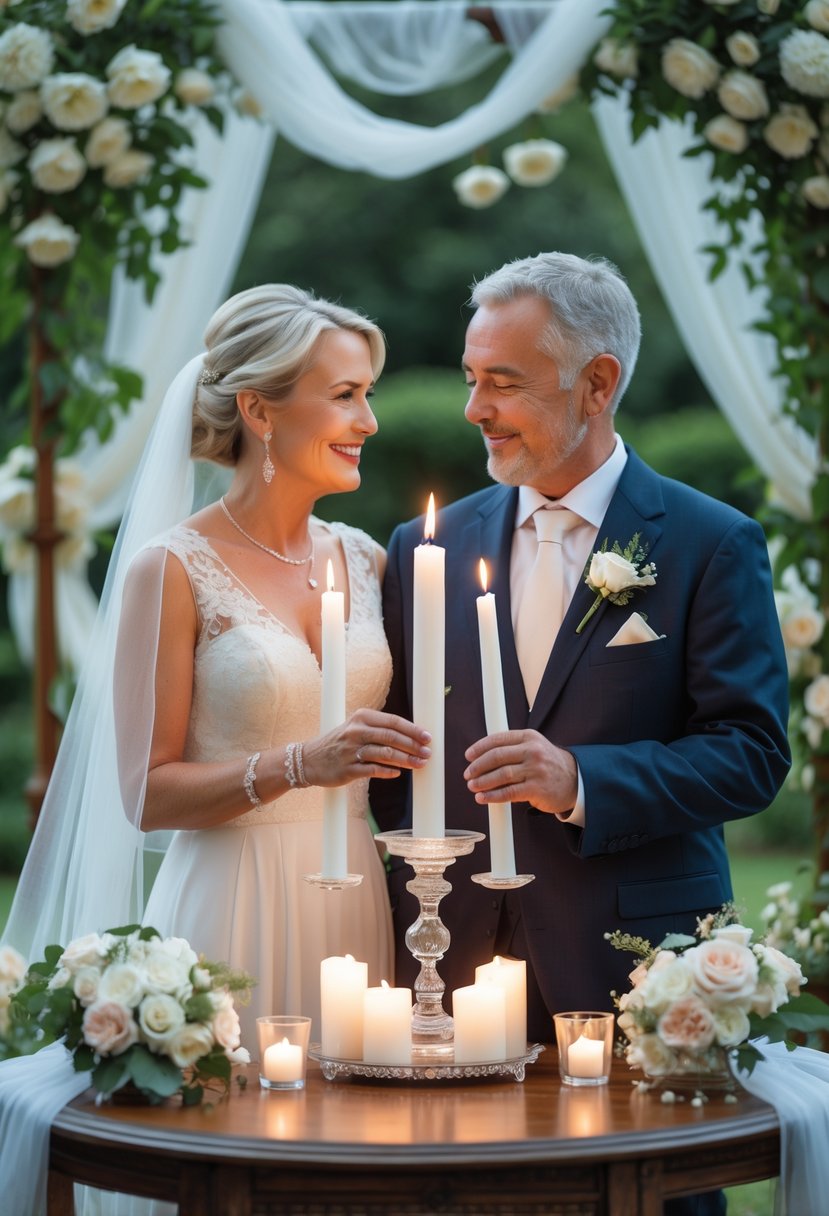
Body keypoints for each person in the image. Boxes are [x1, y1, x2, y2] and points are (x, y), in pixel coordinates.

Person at [373, 250, 790, 1045]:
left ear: (596, 384)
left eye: (503, 383)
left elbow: (750, 753)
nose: (474, 408)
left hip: (635, 965)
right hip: (444, 960)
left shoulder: (710, 542)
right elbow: (400, 758)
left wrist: (579, 780)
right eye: (471, 378)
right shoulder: (426, 546)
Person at [3, 283, 430, 1053]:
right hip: (232, 901)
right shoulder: (171, 569)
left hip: (354, 897)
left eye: (367, 394)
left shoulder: (366, 559)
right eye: (344, 395)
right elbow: (146, 794)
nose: (368, 420)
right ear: (259, 411)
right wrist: (299, 763)